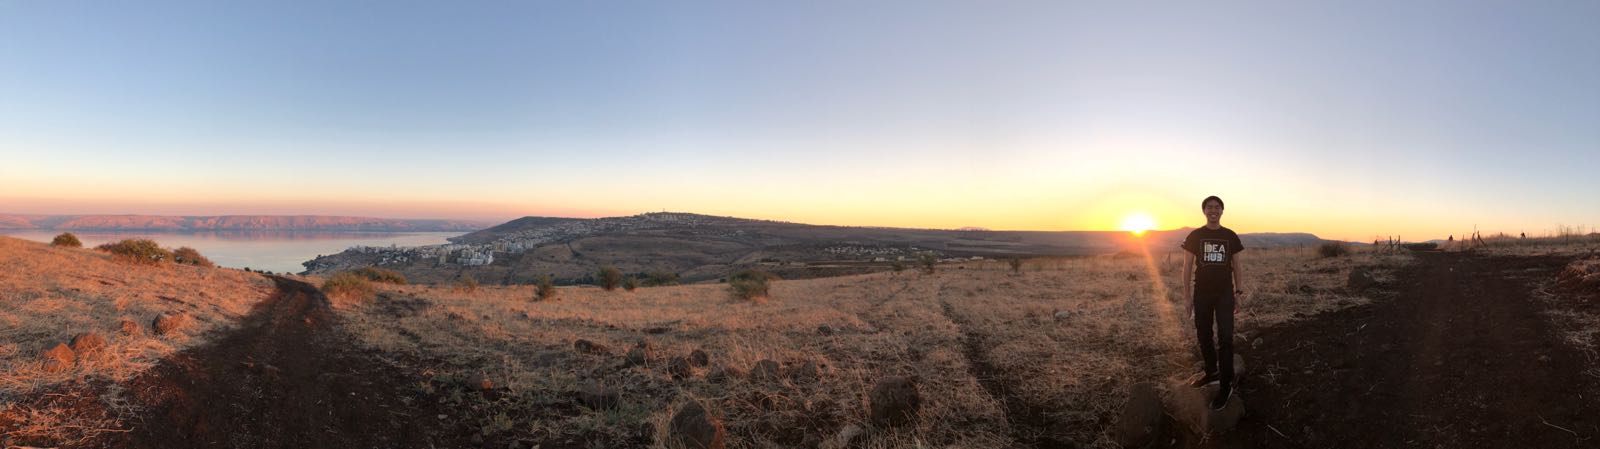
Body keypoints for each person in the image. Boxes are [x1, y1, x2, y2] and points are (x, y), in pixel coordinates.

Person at [1181, 195, 1247, 411]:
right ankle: (1212, 373)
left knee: (1226, 337)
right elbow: (1187, 267)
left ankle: (1226, 385)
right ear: (1204, 211)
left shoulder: (1230, 236)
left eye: (1217, 207)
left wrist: (1238, 292)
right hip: (1201, 293)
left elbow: (1237, 266)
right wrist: (1186, 296)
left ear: (1222, 211)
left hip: (1225, 293)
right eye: (1209, 207)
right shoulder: (1195, 236)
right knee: (1203, 334)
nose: (1213, 210)